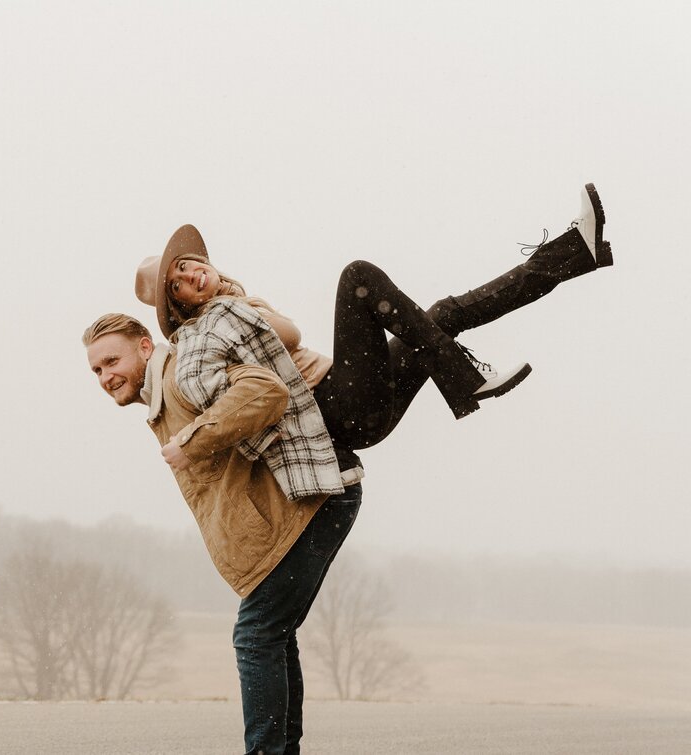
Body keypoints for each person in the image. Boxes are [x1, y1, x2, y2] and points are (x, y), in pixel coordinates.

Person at [135, 183, 613, 466]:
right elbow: (283, 344)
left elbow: (286, 335)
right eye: (178, 284)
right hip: (335, 409)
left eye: (186, 265)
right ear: (180, 306)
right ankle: (464, 379)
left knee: (444, 315)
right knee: (357, 277)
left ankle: (576, 252)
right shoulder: (207, 329)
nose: (191, 276)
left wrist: (237, 305)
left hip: (355, 405)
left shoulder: (236, 303)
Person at [83, 313, 362, 755]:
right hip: (302, 513)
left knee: (256, 635)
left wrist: (192, 441)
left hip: (311, 507)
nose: (105, 376)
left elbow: (266, 390)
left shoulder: (180, 374)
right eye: (96, 370)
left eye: (111, 361)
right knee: (272, 633)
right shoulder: (161, 399)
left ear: (144, 347)